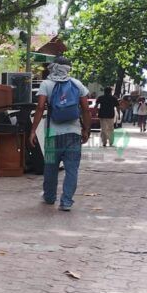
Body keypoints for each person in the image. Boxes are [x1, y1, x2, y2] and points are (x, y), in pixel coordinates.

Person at [29, 55, 90, 211]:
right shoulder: (77, 84)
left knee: (50, 167)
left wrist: (33, 131)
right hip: (74, 134)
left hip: (51, 134)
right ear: (68, 68)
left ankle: (49, 197)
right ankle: (66, 202)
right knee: (71, 169)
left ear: (53, 67)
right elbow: (85, 109)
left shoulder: (46, 84)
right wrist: (86, 130)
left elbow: (40, 107)